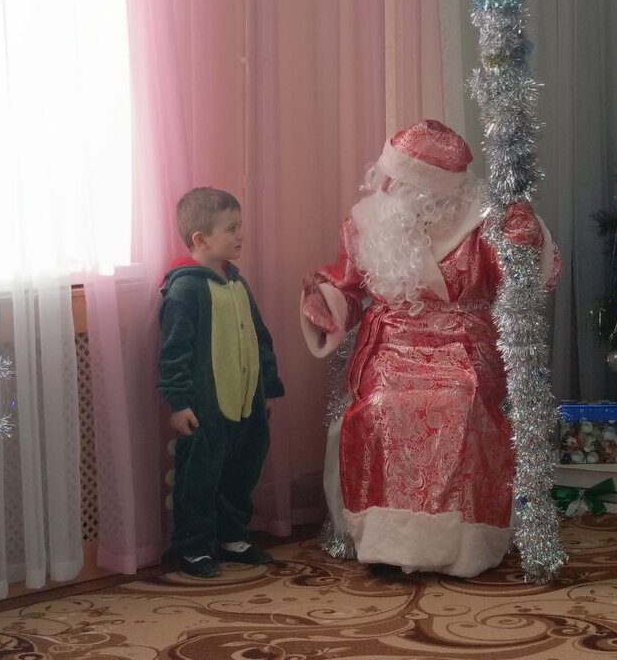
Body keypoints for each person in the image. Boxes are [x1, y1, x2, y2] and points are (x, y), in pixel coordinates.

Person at [300, 119, 559, 577]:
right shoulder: (367, 221)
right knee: (379, 405)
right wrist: (325, 301)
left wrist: (525, 235)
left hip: (464, 344)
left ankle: (460, 546)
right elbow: (348, 286)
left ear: (428, 188)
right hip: (391, 344)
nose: (387, 186)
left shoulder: (485, 221)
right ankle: (385, 543)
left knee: (461, 403)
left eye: (400, 180)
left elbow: (526, 284)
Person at [158, 187, 285, 578]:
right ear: (201, 239)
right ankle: (194, 547)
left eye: (240, 226)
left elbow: (259, 338)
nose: (241, 235)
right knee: (198, 476)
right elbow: (174, 351)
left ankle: (232, 536)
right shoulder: (186, 289)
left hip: (247, 402)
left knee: (242, 470)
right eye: (231, 228)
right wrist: (179, 403)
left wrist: (268, 388)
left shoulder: (237, 283)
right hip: (206, 406)